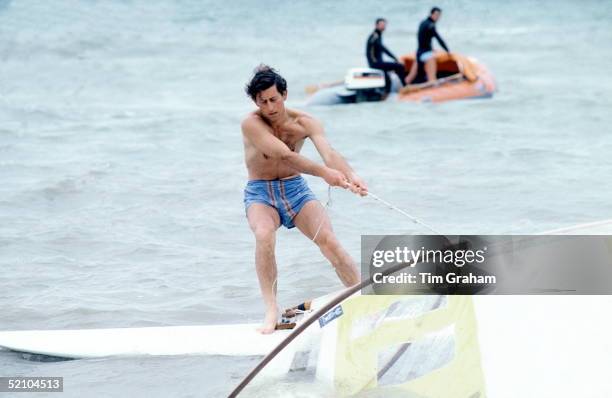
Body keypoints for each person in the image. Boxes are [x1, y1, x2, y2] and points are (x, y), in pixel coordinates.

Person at [242, 65, 367, 334]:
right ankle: (271, 310)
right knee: (264, 235)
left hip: (296, 190)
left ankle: (361, 299)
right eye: (262, 102)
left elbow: (329, 154)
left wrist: (351, 176)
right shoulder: (251, 123)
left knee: (330, 241)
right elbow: (284, 156)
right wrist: (325, 174)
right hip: (261, 193)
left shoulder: (306, 123)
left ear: (284, 94)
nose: (270, 107)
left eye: (274, 99)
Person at [405, 7, 450, 84]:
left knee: (410, 77)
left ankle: (402, 89)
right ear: (431, 14)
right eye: (436, 15)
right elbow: (439, 39)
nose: (438, 17)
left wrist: (431, 48)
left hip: (419, 53)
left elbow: (423, 38)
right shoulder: (431, 25)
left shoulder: (422, 23)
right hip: (427, 55)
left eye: (439, 15)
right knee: (432, 79)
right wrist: (447, 51)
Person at [366, 18, 407, 93]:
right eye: (381, 25)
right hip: (375, 64)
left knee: (388, 78)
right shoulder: (374, 36)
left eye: (384, 25)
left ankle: (386, 93)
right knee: (400, 66)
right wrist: (396, 59)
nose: (383, 27)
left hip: (377, 63)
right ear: (376, 25)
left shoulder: (377, 35)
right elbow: (383, 49)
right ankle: (405, 87)